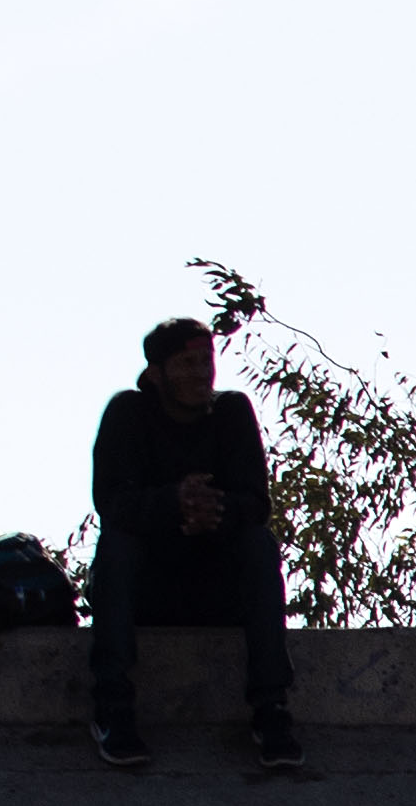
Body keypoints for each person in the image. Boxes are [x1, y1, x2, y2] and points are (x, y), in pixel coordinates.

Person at [88, 317, 293, 770]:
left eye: (206, 361)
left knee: (259, 544)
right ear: (157, 374)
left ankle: (272, 710)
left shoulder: (232, 412)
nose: (201, 373)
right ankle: (113, 709)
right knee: (117, 546)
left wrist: (213, 512)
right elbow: (113, 504)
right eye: (186, 363)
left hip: (215, 586)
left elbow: (256, 503)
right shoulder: (128, 414)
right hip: (150, 589)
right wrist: (173, 503)